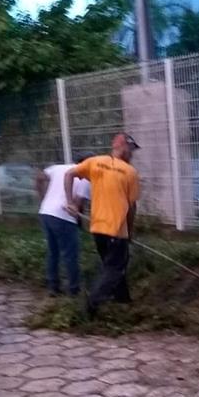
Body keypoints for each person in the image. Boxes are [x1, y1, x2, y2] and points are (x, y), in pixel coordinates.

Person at [64, 133, 141, 317]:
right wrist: (129, 231)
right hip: (117, 230)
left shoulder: (95, 162)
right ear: (122, 146)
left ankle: (123, 299)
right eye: (130, 149)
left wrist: (70, 203)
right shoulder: (130, 172)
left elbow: (69, 174)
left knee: (113, 266)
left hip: (98, 228)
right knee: (115, 268)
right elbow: (131, 207)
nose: (132, 154)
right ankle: (91, 304)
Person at [36, 153, 93, 296]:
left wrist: (43, 198)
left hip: (46, 212)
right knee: (70, 254)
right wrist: (79, 220)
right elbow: (78, 204)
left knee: (53, 251)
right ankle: (74, 289)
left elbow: (39, 177)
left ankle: (53, 286)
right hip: (64, 217)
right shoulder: (85, 178)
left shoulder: (58, 168)